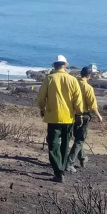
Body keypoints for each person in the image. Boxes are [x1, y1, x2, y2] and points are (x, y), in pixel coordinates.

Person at [37, 55, 83, 183]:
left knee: (53, 145)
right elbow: (78, 101)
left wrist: (42, 108)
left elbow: (41, 98)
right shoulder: (73, 80)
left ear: (54, 66)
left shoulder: (49, 79)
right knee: (65, 145)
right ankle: (62, 169)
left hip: (53, 117)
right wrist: (79, 114)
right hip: (68, 118)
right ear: (65, 65)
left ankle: (58, 171)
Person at [66, 66, 103, 172]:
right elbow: (93, 106)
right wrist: (99, 116)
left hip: (71, 114)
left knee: (78, 139)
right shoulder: (88, 88)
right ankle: (69, 163)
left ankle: (82, 158)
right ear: (88, 75)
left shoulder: (73, 83)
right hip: (83, 116)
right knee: (80, 140)